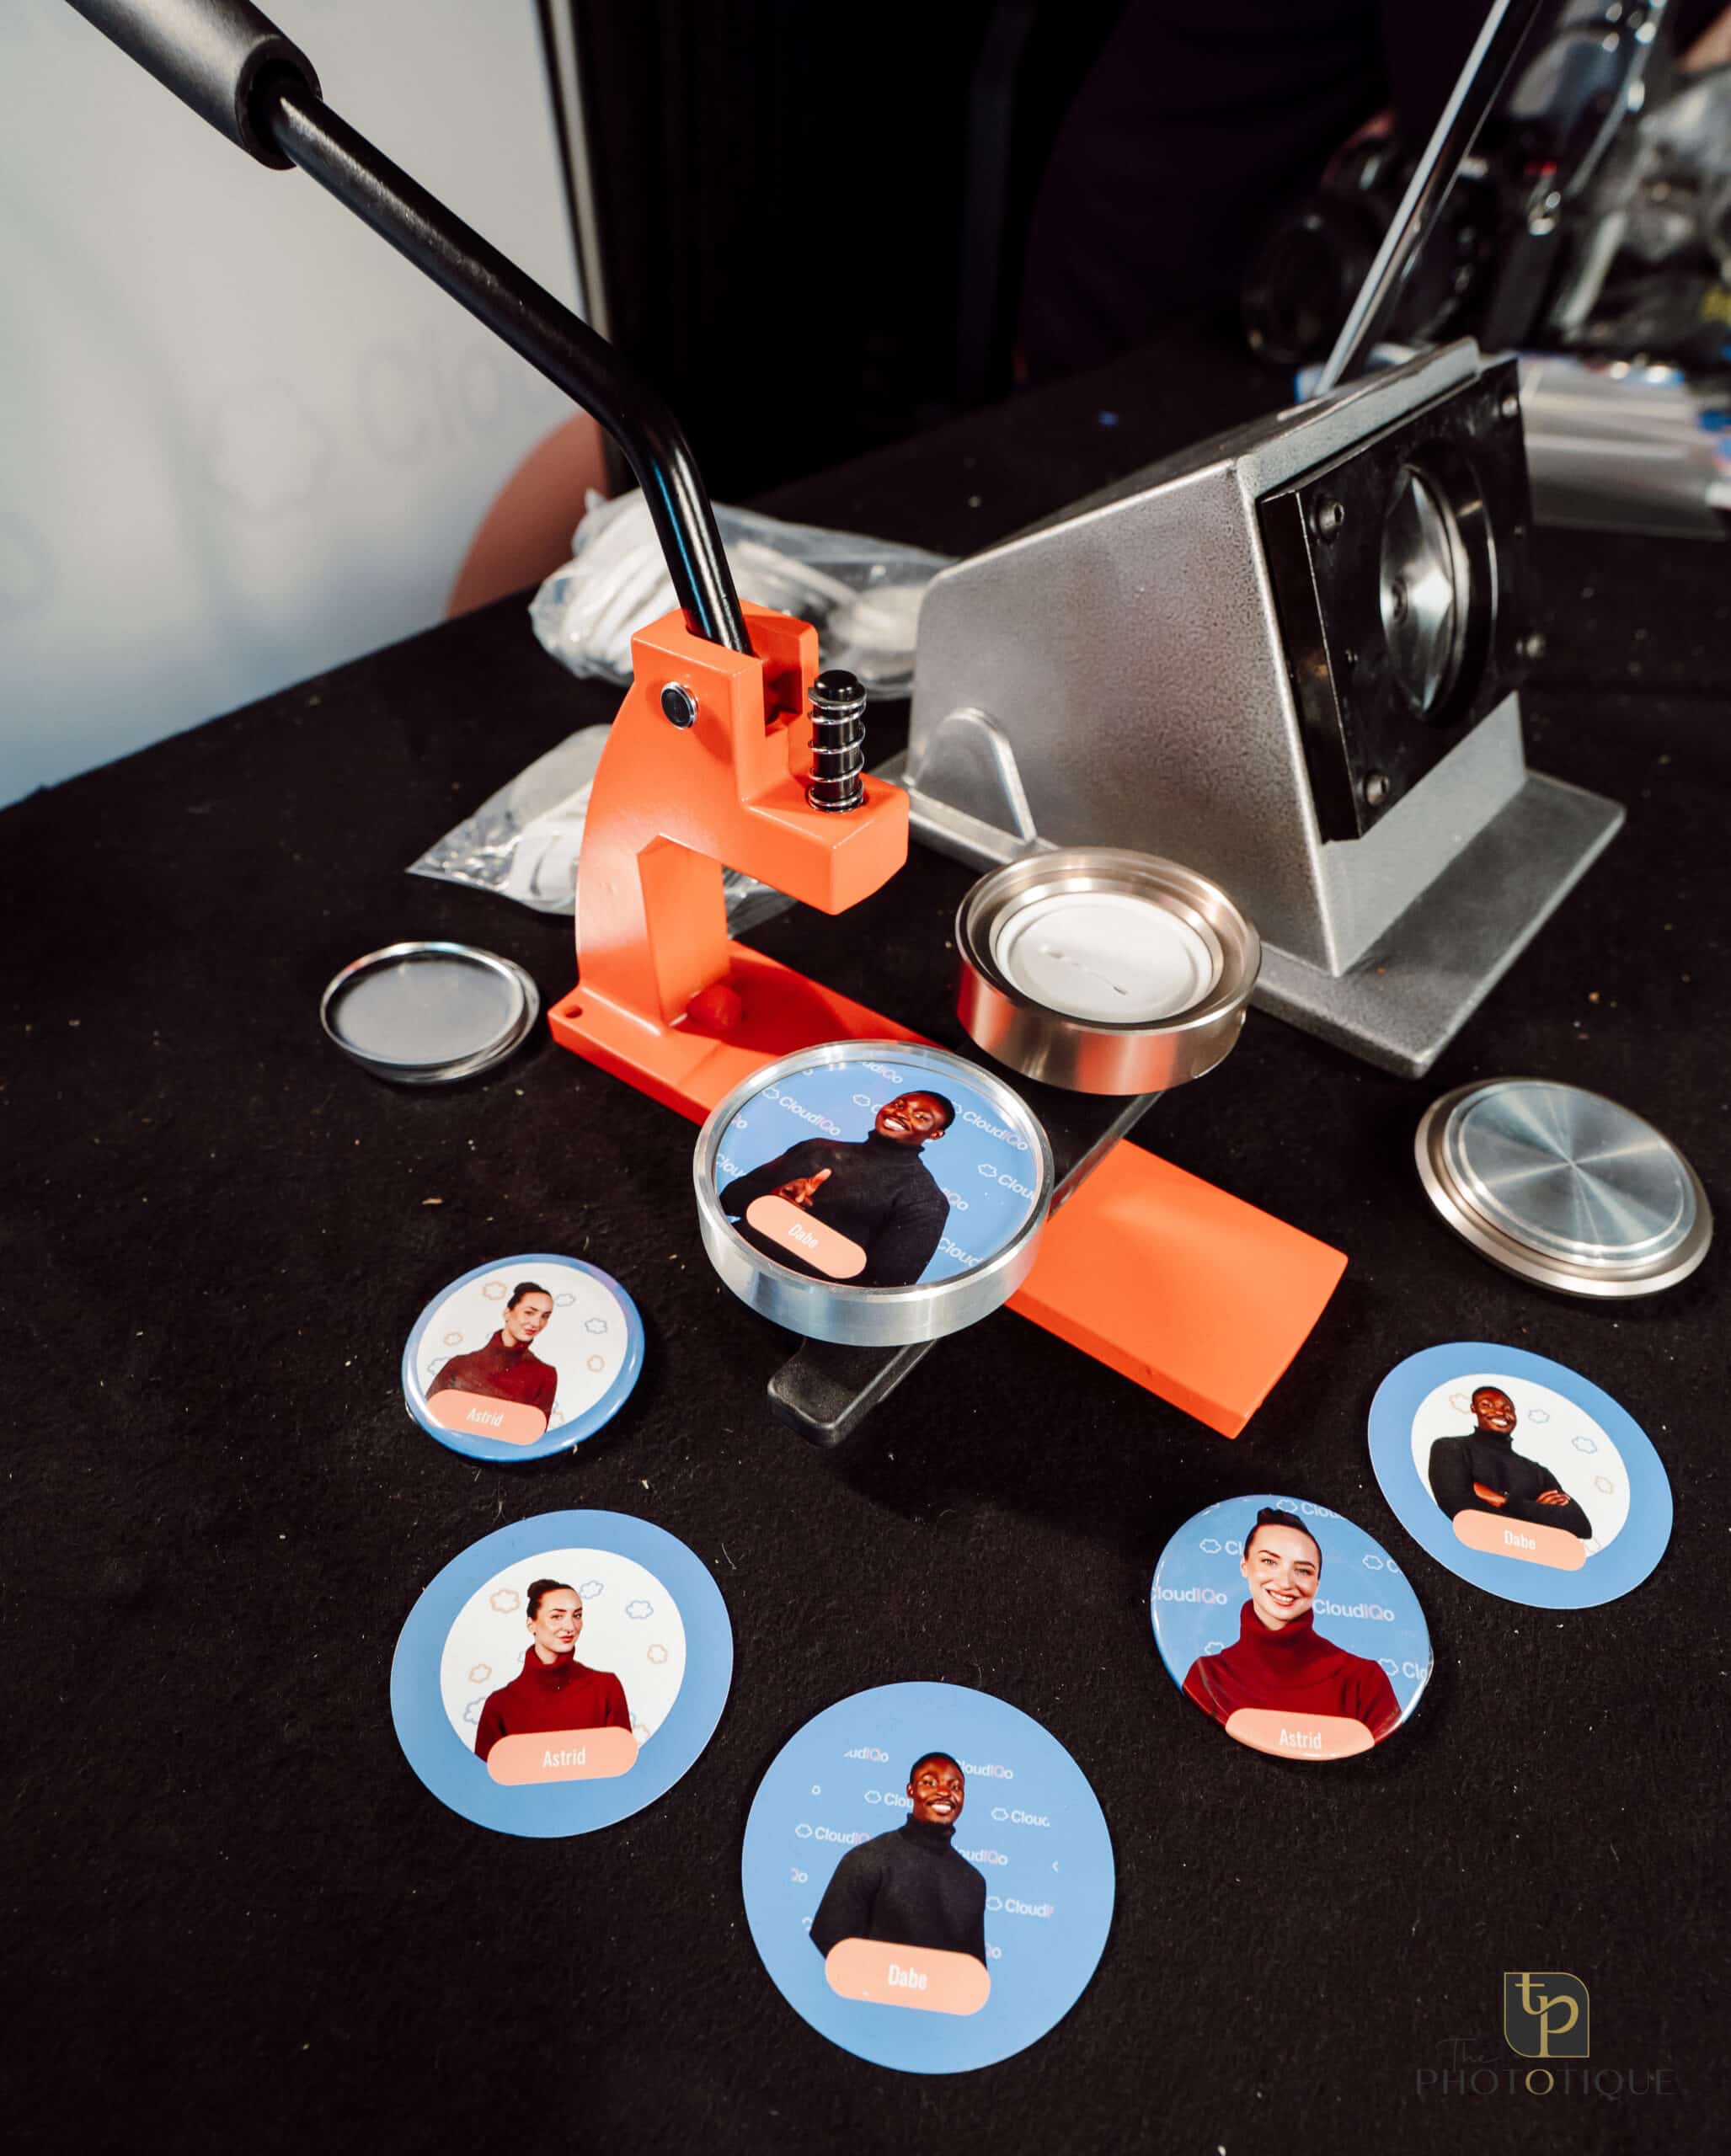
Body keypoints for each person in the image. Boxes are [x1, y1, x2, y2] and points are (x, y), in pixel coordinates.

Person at [1183, 1508, 1402, 1742]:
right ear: (1244, 1565)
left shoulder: (1365, 1681)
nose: (1286, 1582)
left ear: (1317, 1583)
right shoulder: (1208, 1676)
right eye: (1269, 1561)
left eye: (1303, 1571)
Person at [718, 1091, 955, 1289]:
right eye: (898, 1104)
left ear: (935, 1134)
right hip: (727, 1263)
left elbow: (884, 1287)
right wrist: (773, 1198)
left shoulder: (924, 1198)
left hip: (793, 1306)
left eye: (920, 1116)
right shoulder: (815, 1149)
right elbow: (728, 1200)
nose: (900, 1113)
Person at [809, 1753, 987, 1967]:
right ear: (910, 1790)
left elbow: (973, 1974)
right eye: (929, 1782)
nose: (944, 1792)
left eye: (955, 1787)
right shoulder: (868, 1859)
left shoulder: (974, 1883)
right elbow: (828, 1938)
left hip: (938, 2002)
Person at [473, 1579, 630, 1764]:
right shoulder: (499, 1705)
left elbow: (622, 1770)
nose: (571, 1627)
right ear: (531, 1624)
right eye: (557, 1616)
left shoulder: (606, 1688)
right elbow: (485, 1784)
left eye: (577, 1615)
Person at [1426, 1386, 1594, 1541]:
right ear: (1473, 1408)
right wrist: (1538, 1514)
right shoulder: (1450, 1448)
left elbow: (1580, 1526)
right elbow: (1458, 1506)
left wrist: (1504, 1501)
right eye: (1487, 1404)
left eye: (1507, 1409)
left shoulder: (1538, 1472)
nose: (1499, 1412)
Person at [427, 1282, 558, 1426]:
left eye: (545, 1316)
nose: (536, 1323)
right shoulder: (459, 1364)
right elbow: (428, 1416)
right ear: (507, 1313)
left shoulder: (545, 1375)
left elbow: (532, 1435)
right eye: (529, 1312)